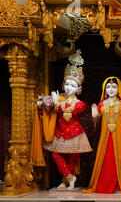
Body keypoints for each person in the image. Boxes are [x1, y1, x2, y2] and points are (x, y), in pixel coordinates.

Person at [34, 49, 92, 190]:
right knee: (55, 156)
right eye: (67, 83)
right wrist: (41, 104)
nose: (68, 87)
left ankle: (65, 181)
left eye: (73, 85)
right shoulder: (58, 98)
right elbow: (48, 110)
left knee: (72, 159)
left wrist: (56, 103)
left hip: (75, 134)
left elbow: (70, 110)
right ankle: (70, 178)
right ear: (63, 84)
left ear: (79, 89)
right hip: (60, 133)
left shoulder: (80, 103)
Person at [84, 77, 121, 194]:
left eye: (114, 87)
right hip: (105, 137)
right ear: (104, 89)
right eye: (108, 87)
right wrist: (94, 113)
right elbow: (96, 120)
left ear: (119, 89)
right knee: (106, 161)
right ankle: (104, 186)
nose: (111, 89)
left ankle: (119, 186)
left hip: (120, 136)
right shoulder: (102, 104)